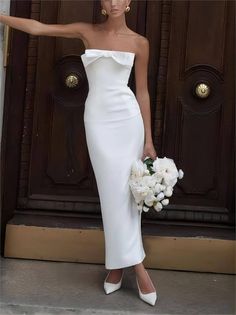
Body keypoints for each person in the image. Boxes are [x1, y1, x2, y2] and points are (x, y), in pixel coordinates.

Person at [0, 0, 158, 306]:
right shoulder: (87, 31)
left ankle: (118, 268)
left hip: (128, 122)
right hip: (98, 121)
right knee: (111, 194)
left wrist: (148, 139)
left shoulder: (140, 43)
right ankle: (136, 267)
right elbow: (39, 28)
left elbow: (142, 92)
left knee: (127, 195)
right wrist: (2, 17)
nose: (113, 2)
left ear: (129, 3)